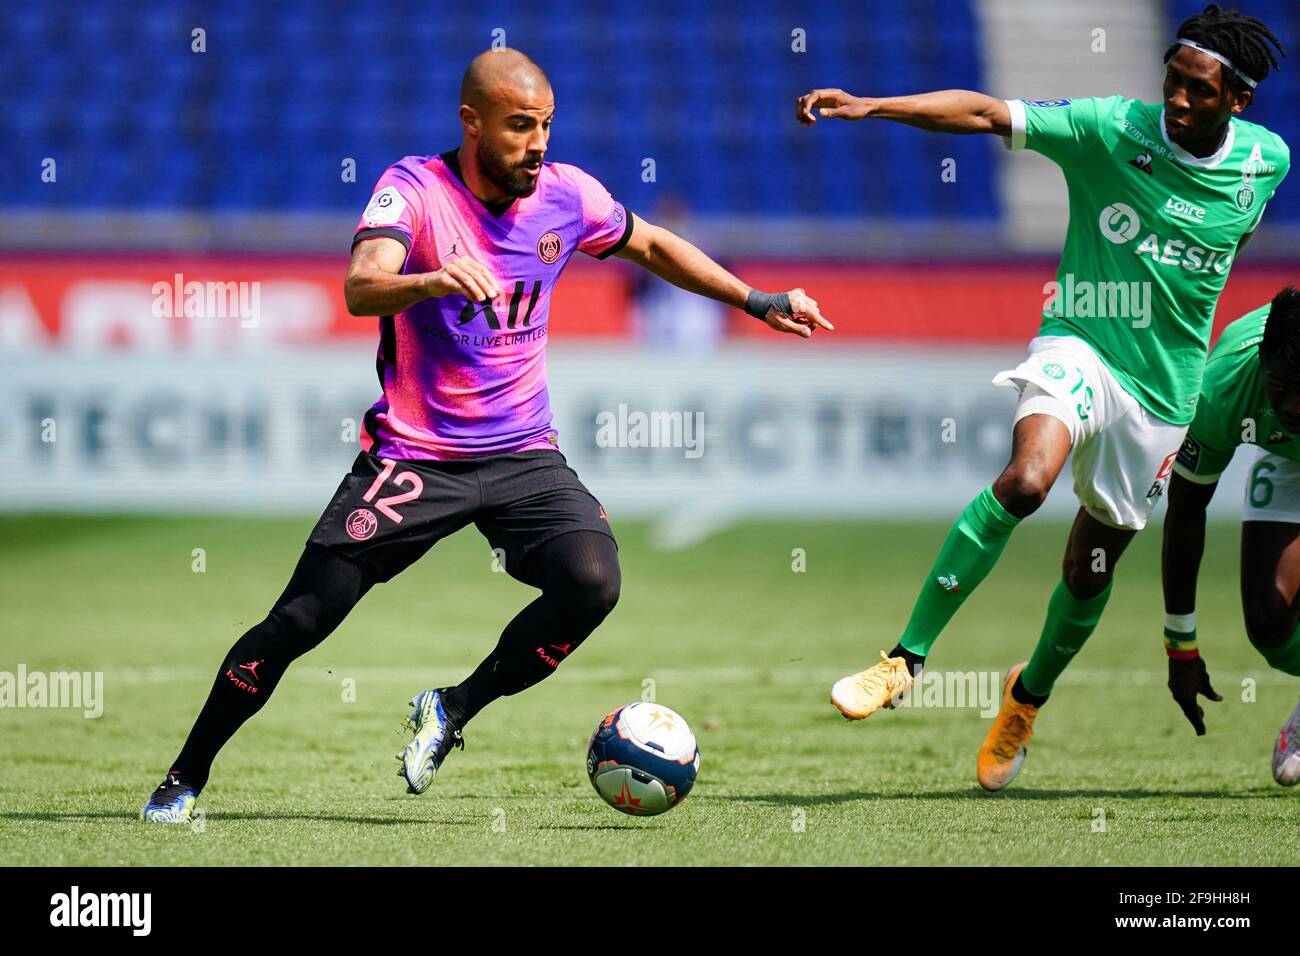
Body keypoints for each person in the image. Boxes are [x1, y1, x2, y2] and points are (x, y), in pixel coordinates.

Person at [142, 47, 830, 823]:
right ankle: (185, 775)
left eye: (545, 126)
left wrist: (756, 298)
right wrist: (431, 279)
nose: (537, 143)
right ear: (471, 122)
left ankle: (452, 708)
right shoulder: (414, 191)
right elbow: (362, 286)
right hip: (416, 456)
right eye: (519, 128)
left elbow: (650, 244)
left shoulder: (567, 195)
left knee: (592, 581)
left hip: (521, 454)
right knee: (301, 620)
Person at [796, 3, 1288, 790]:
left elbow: (1236, 232)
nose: (1178, 101)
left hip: (1163, 393)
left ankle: (1025, 701)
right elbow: (988, 111)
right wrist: (871, 105)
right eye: (1173, 81)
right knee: (1025, 481)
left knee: (1091, 569)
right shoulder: (1109, 129)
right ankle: (904, 659)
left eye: (1199, 91)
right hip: (1081, 341)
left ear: (1238, 101)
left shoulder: (1267, 160)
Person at [1162, 287, 1300, 786]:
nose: (1295, 405)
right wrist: (1181, 644)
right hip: (1288, 462)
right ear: (1261, 363)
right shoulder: (1221, 389)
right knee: (1269, 624)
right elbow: (1186, 507)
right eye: (1282, 385)